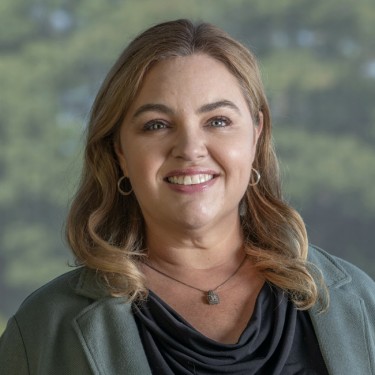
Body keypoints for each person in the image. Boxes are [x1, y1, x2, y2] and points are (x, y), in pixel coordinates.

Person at [0, 19, 374, 375]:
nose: (191, 148)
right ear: (119, 152)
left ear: (256, 136)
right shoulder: (43, 330)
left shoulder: (360, 303)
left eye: (218, 121)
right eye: (157, 125)